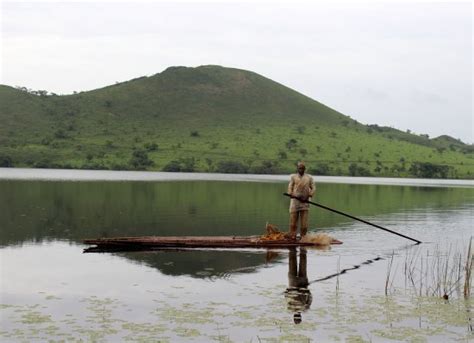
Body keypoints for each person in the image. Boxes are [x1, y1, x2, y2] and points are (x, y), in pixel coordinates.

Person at [287, 161, 315, 240]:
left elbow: (313, 188)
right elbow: (290, 187)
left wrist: (309, 195)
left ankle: (303, 236)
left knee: (304, 223)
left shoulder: (309, 178)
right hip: (295, 202)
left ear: (305, 169)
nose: (301, 170)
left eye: (302, 168)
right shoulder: (293, 177)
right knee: (293, 221)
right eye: (299, 168)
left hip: (305, 202)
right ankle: (293, 235)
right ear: (297, 169)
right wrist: (290, 194)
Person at [284, 248, 312, 324]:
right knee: (292, 263)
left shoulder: (305, 308)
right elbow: (286, 296)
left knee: (303, 264)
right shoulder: (290, 308)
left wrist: (307, 291)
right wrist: (287, 291)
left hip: (303, 285)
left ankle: (303, 249)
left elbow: (310, 298)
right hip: (293, 284)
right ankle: (292, 250)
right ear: (294, 316)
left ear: (300, 316)